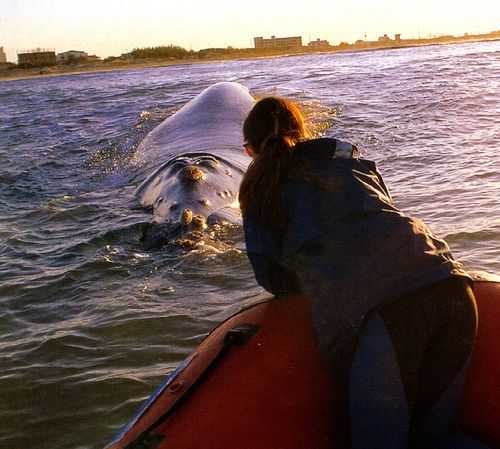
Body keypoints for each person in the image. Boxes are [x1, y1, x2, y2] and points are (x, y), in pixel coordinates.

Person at [239, 97, 490, 449]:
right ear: (304, 132)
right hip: (451, 285)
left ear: (252, 149)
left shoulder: (262, 188)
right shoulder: (351, 162)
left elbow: (272, 278)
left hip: (389, 316)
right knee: (434, 438)